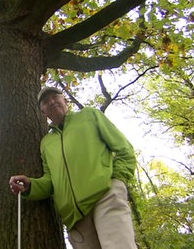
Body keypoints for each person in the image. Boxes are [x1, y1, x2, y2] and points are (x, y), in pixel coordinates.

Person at [9, 87, 137, 249]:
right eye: (46, 102)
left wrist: (117, 180)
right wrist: (31, 186)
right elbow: (51, 180)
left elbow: (124, 149)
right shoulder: (46, 143)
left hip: (104, 197)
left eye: (56, 97)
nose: (52, 102)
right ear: (42, 112)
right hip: (75, 218)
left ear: (65, 101)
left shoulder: (89, 115)